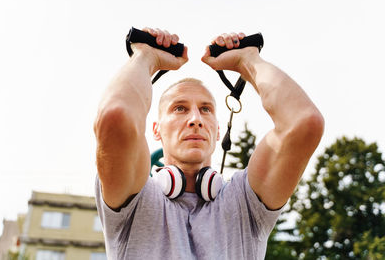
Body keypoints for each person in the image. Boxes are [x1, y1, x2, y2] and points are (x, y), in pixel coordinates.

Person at [93, 27, 324, 260]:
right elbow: (115, 118)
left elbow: (303, 123)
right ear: (156, 130)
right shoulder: (136, 201)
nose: (195, 120)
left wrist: (249, 60)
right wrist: (145, 57)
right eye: (180, 108)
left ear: (217, 131)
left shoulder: (244, 204)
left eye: (205, 109)